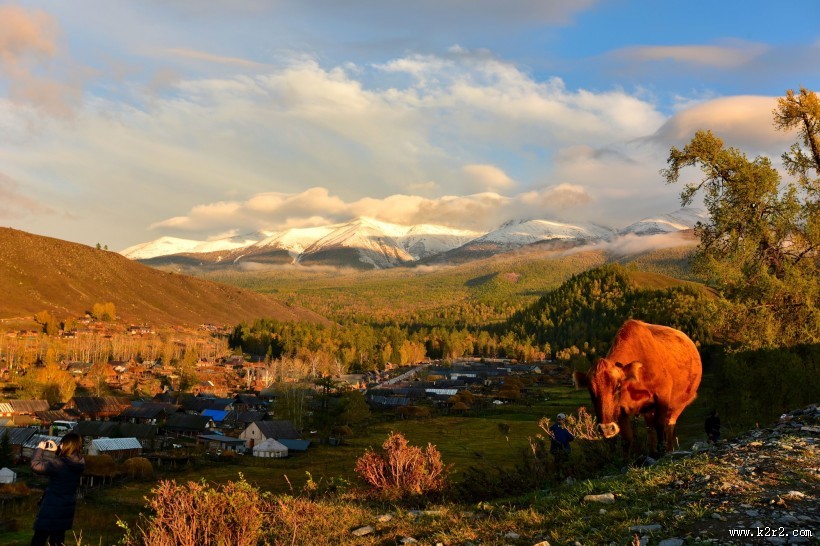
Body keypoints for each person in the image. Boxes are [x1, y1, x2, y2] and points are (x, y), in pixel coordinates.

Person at [30, 433, 85, 546]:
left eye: (62, 443)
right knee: (57, 540)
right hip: (66, 508)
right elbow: (66, 461)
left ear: (66, 445)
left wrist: (39, 449)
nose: (60, 445)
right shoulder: (80, 462)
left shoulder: (58, 463)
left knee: (39, 539)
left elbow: (35, 466)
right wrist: (58, 451)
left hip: (51, 508)